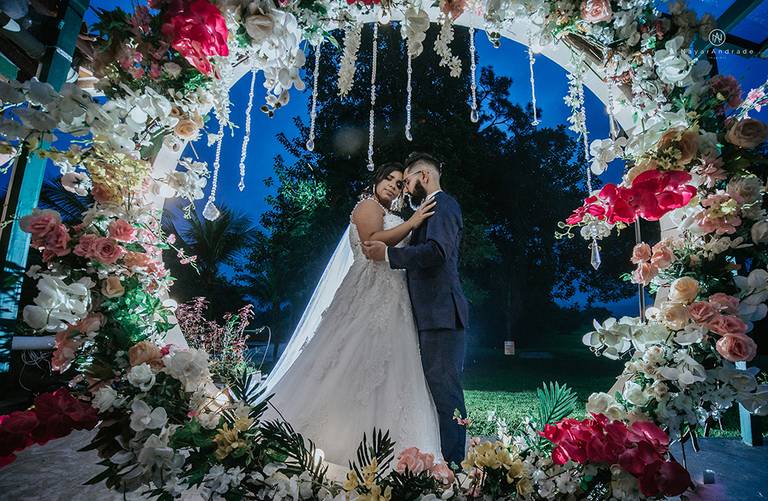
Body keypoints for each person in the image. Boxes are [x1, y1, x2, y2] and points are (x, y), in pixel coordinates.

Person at [259, 162, 443, 474]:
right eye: (388, 179)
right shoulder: (367, 206)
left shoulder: (391, 212)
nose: (392, 186)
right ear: (376, 180)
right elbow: (374, 240)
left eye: (399, 184)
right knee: (347, 356)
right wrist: (412, 223)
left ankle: (385, 447)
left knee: (389, 366)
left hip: (394, 297)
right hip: (367, 290)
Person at [362, 152, 469, 466]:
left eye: (407, 181)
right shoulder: (429, 209)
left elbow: (436, 252)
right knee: (436, 385)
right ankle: (441, 452)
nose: (405, 189)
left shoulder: (444, 204)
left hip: (442, 314)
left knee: (445, 386)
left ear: (424, 177)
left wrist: (390, 256)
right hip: (431, 314)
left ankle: (454, 460)